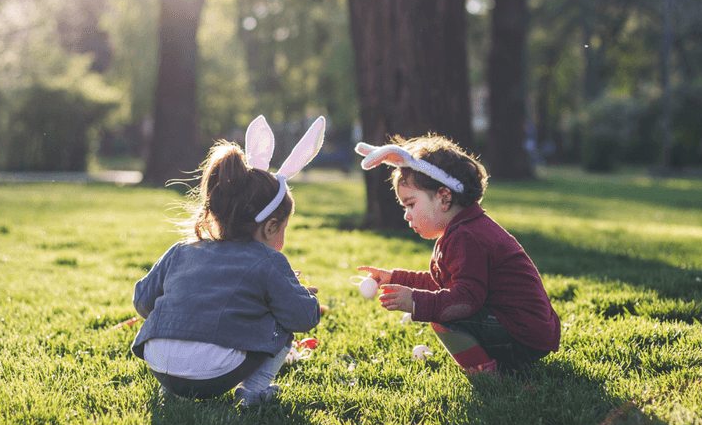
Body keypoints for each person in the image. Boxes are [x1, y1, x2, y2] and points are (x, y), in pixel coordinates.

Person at [130, 116, 325, 405]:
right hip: (216, 372)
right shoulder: (268, 260)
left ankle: (172, 388)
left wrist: (180, 321)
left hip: (158, 362)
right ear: (271, 227)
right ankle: (253, 390)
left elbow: (142, 300)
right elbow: (302, 317)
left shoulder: (181, 251)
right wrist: (300, 293)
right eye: (283, 229)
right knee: (281, 321)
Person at [354, 135, 560, 378]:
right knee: (440, 304)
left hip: (522, 336)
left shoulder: (467, 237)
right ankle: (495, 363)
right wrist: (394, 277)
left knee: (442, 314)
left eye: (410, 204)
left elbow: (465, 300)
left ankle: (487, 373)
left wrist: (417, 303)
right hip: (526, 331)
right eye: (404, 207)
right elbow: (443, 283)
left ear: (444, 197)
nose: (406, 215)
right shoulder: (461, 230)